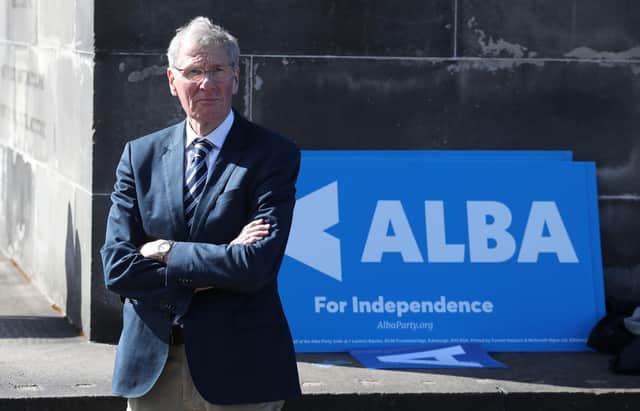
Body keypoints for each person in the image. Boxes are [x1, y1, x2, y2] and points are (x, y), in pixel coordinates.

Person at [100, 16, 301, 411]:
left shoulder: (272, 155)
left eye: (217, 70)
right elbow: (117, 268)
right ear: (172, 82)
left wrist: (165, 251)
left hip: (242, 367)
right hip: (155, 369)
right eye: (193, 71)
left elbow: (253, 266)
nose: (206, 83)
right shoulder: (139, 156)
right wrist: (219, 260)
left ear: (235, 79)